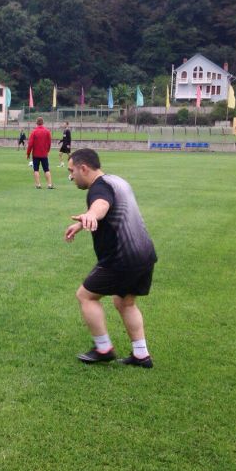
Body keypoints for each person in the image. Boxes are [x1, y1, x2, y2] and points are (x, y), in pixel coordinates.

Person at [64, 148, 157, 368]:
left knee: (85, 296)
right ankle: (141, 355)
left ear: (83, 168)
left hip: (122, 258)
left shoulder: (98, 188)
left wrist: (91, 214)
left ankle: (103, 348)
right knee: (125, 302)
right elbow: (111, 207)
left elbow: (102, 206)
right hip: (145, 254)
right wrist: (82, 223)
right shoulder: (117, 181)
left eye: (71, 171)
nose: (70, 177)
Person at [26, 117, 53, 189]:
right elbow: (49, 143)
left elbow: (30, 144)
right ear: (43, 122)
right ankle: (49, 184)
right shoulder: (47, 131)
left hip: (36, 154)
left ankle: (38, 185)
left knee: (36, 169)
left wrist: (28, 153)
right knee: (46, 169)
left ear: (36, 123)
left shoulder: (34, 132)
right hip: (44, 154)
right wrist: (47, 151)